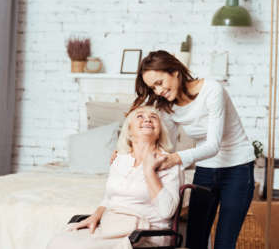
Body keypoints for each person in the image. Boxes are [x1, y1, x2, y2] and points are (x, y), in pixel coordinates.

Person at [113, 50, 255, 249]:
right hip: (206, 169)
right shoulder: (167, 107)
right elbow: (163, 145)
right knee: (194, 239)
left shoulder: (212, 90)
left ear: (175, 72)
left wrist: (175, 158)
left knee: (224, 242)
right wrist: (125, 154)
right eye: (153, 87)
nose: (158, 91)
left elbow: (213, 146)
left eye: (160, 82)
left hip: (237, 168)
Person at [47, 106, 180, 249]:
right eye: (140, 116)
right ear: (129, 131)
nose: (147, 119)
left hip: (145, 233)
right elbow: (109, 197)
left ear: (160, 131)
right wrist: (95, 216)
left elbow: (167, 211)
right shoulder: (120, 160)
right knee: (60, 242)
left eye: (153, 117)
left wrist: (149, 172)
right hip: (112, 225)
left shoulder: (169, 162)